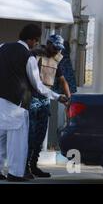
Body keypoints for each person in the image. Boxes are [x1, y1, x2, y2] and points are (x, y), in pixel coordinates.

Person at [0, 24, 68, 182]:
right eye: (36, 41)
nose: (36, 44)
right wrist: (58, 97)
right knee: (18, 141)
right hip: (16, 104)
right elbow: (38, 85)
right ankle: (15, 174)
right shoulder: (28, 56)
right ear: (31, 40)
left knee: (0, 138)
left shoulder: (2, 46)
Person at [25, 35, 71, 179]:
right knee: (30, 136)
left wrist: (68, 98)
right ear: (49, 44)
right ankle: (24, 167)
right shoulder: (34, 54)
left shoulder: (56, 59)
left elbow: (63, 80)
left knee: (40, 136)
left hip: (46, 98)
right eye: (55, 47)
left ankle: (33, 166)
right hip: (32, 98)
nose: (57, 50)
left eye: (59, 48)